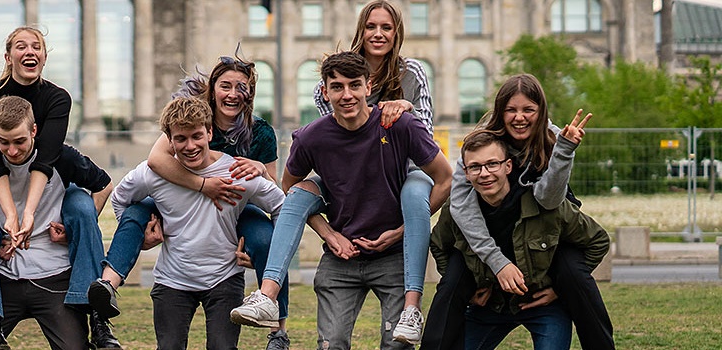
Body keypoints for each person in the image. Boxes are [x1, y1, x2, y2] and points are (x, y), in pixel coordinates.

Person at [230, 51, 453, 349]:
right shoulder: (312, 137)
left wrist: (400, 232)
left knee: (397, 345)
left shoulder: (399, 125)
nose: (346, 95)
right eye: (337, 87)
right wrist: (330, 235)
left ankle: (412, 309)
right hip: (342, 258)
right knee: (331, 344)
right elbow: (289, 187)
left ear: (368, 87)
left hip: (393, 254)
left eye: (354, 85)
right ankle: (267, 295)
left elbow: (445, 178)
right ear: (325, 91)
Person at [95, 54, 292, 349]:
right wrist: (143, 235)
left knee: (265, 240)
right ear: (212, 89)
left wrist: (269, 254)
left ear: (208, 134)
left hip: (236, 223)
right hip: (175, 262)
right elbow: (147, 169)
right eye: (226, 85)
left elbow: (277, 200)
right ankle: (108, 283)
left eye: (242, 88)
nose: (233, 94)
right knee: (136, 212)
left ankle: (278, 329)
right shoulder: (186, 123)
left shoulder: (254, 140)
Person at [422, 74, 612, 349]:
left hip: (545, 213)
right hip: (488, 227)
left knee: (573, 274)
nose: (519, 117)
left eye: (528, 110)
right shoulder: (480, 145)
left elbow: (549, 200)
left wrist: (565, 150)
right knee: (453, 280)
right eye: (511, 110)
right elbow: (460, 212)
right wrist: (495, 266)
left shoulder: (553, 137)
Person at [0, 26, 119, 348]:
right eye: (21, 46)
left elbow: (45, 160)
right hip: (3, 204)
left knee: (78, 203)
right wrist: (7, 222)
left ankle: (96, 314)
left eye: (37, 46)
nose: (29, 51)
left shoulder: (56, 99)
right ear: (8, 57)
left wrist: (42, 218)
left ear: (45, 57)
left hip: (46, 210)